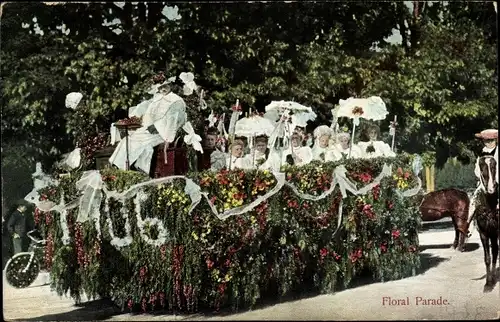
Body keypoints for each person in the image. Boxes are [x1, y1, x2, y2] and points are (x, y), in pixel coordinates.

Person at [467, 129, 498, 230]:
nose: (489, 143)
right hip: (484, 183)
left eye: (491, 140)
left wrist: (495, 179)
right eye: (486, 140)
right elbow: (477, 170)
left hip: (497, 180)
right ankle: (468, 226)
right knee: (473, 201)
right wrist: (482, 179)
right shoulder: (481, 153)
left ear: (495, 140)